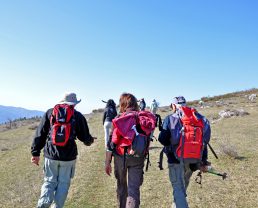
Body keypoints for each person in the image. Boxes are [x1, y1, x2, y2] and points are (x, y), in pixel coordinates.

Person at [31, 92, 96, 208]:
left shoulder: (50, 113)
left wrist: (35, 153)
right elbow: (85, 138)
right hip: (68, 157)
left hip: (51, 154)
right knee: (63, 184)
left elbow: (40, 134)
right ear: (74, 104)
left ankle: (42, 206)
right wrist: (90, 140)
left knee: (49, 182)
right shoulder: (78, 116)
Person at [158, 96, 211, 208]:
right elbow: (205, 141)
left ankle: (180, 204)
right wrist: (203, 160)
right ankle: (176, 204)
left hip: (175, 158)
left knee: (178, 187)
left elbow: (162, 139)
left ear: (173, 106)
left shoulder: (170, 118)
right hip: (194, 159)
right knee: (183, 184)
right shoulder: (201, 118)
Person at [105, 93, 148, 208]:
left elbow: (111, 143)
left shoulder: (119, 119)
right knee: (133, 189)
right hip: (138, 157)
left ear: (122, 104)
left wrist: (107, 162)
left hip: (121, 157)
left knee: (122, 186)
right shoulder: (143, 118)